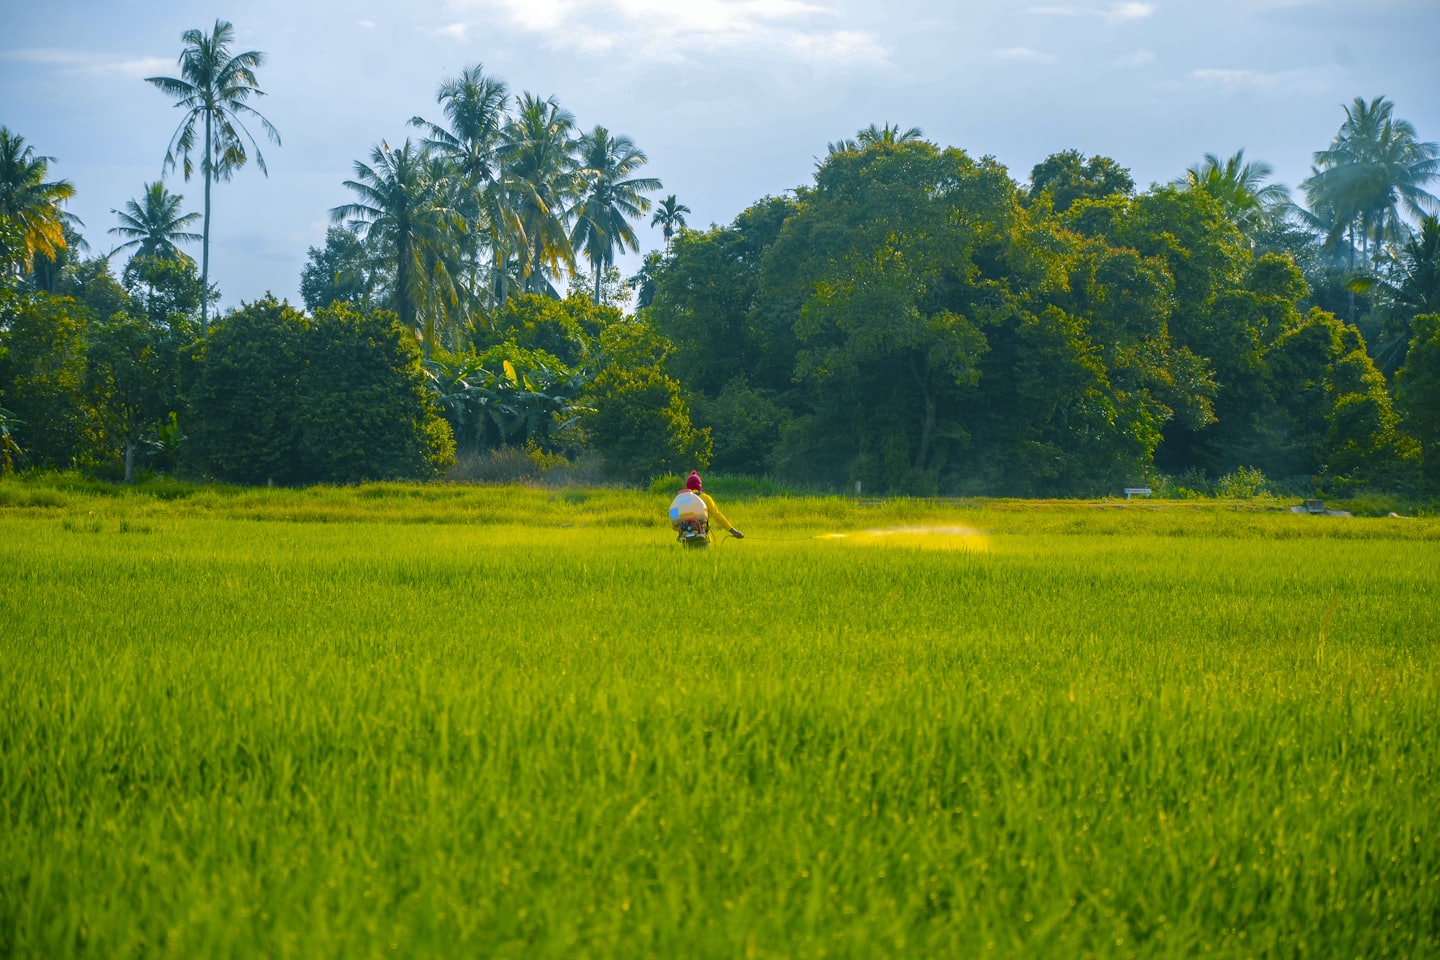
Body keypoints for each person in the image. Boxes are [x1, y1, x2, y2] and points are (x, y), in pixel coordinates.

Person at [670, 470, 744, 546]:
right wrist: (734, 531)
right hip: (703, 540)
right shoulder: (705, 498)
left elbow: (674, 525)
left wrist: (688, 529)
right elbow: (717, 516)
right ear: (699, 485)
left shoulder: (680, 501)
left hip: (686, 543)